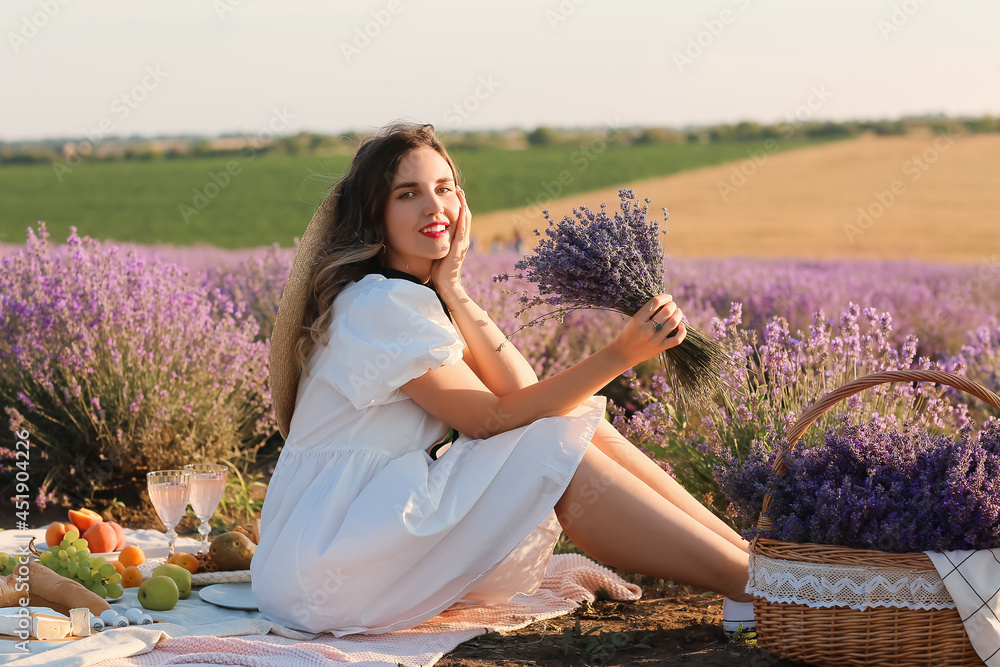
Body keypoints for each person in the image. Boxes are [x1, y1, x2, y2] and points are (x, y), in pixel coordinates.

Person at [250, 122, 754, 637]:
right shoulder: (379, 303)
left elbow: (522, 393)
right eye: (408, 194)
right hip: (332, 556)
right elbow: (494, 419)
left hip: (350, 537)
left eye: (444, 189)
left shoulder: (408, 298)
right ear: (374, 215)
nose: (434, 207)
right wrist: (622, 354)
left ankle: (748, 561)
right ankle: (753, 582)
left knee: (574, 418)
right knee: (554, 441)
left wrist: (454, 287)